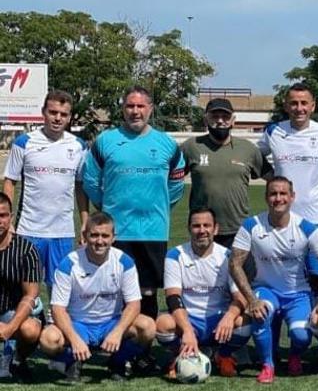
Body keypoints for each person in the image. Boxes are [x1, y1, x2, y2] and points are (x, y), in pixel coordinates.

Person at [81, 86, 185, 324]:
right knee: (115, 289)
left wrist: (158, 206)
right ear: (123, 108)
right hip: (116, 232)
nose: (135, 111)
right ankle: (116, 346)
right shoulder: (106, 141)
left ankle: (143, 351)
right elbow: (90, 181)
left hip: (153, 230)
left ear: (150, 109)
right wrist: (108, 208)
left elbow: (177, 184)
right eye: (130, 106)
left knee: (147, 292)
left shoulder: (166, 143)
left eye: (140, 106)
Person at [229, 176, 318, 384]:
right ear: (266, 197)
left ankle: (295, 356)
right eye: (273, 194)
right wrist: (252, 299)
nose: (278, 198)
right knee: (260, 314)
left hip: (297, 293)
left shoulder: (305, 227)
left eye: (283, 194)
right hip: (266, 289)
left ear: (292, 197)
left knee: (301, 336)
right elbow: (235, 263)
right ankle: (268, 365)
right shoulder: (251, 225)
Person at [40, 212, 156, 383]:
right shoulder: (69, 264)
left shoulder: (125, 262)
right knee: (48, 339)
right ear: (85, 236)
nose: (99, 241)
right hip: (78, 324)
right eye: (94, 235)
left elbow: (134, 304)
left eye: (105, 236)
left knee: (148, 327)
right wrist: (74, 339)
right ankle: (73, 360)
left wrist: (117, 332)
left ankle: (117, 361)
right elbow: (58, 309)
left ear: (113, 237)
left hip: (111, 322)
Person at [3, 90, 89, 295]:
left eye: (64, 114)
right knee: (23, 286)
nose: (58, 118)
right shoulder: (24, 143)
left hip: (62, 231)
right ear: (43, 112)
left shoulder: (78, 146)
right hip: (28, 229)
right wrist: (9, 222)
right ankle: (25, 325)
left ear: (69, 117)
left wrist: (85, 221)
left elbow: (80, 187)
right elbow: (10, 182)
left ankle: (53, 324)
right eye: (53, 112)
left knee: (59, 286)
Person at [155, 208, 251, 379]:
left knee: (245, 321)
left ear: (216, 229)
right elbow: (173, 298)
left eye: (207, 225)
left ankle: (223, 355)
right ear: (189, 228)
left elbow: (240, 297)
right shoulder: (175, 255)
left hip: (219, 321)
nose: (202, 230)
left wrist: (229, 317)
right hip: (189, 318)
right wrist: (187, 330)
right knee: (163, 323)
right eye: (196, 226)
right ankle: (182, 356)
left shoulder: (227, 256)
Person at [258, 83, 318, 288]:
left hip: (316, 217)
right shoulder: (273, 131)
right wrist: (273, 179)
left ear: (313, 106)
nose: (299, 108)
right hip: (283, 220)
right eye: (293, 103)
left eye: (304, 103)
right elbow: (255, 158)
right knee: (284, 280)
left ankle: (316, 319)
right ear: (286, 106)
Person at [180, 97, 265, 248]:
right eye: (214, 116)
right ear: (206, 119)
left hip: (239, 228)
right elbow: (169, 178)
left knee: (239, 271)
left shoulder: (248, 149)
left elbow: (273, 180)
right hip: (203, 229)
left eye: (225, 116)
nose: (220, 121)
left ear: (233, 120)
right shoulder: (191, 147)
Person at [0, 192, 43, 381]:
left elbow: (30, 296)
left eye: (3, 215)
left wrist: (9, 328)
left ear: (10, 217)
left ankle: (18, 359)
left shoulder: (26, 250)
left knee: (31, 329)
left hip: (14, 311)